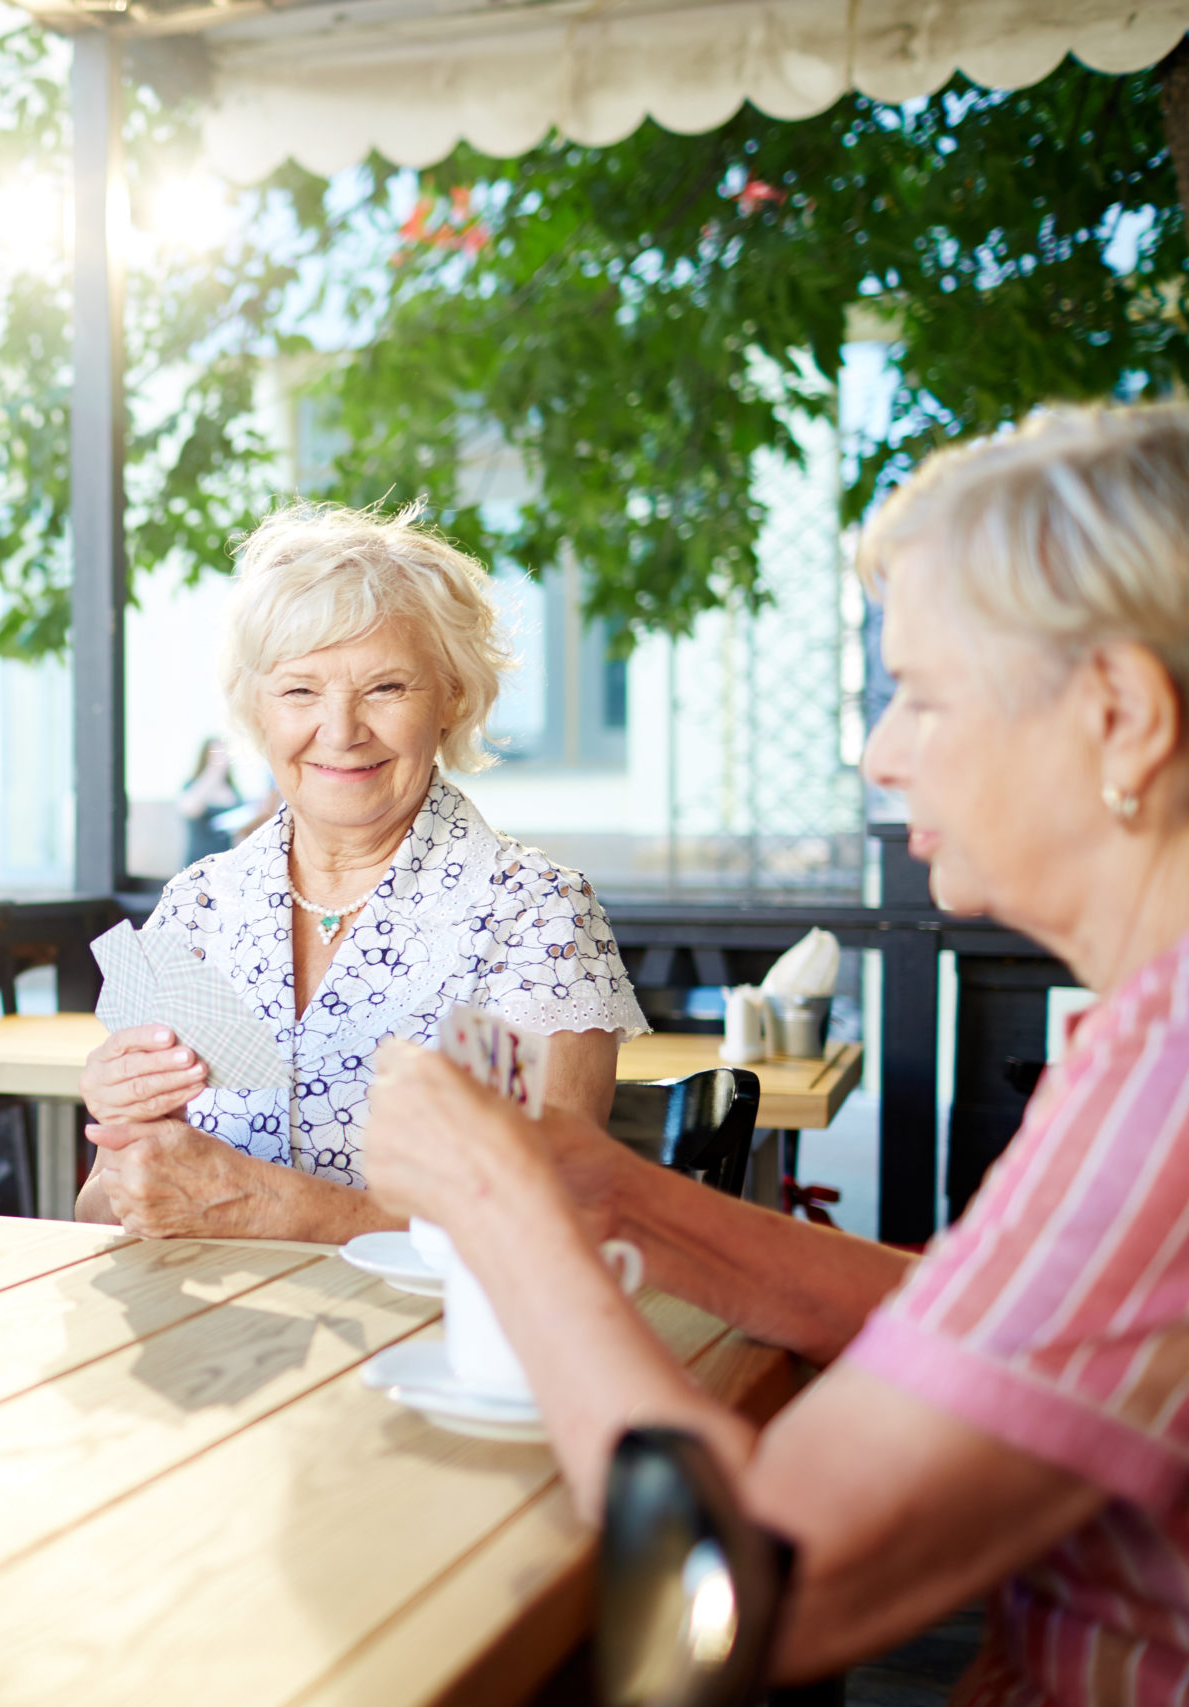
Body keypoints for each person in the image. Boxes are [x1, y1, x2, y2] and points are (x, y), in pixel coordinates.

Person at [359, 402, 1189, 1699]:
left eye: (920, 694)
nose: (882, 753)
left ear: (1122, 715)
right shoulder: (1151, 1035)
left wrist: (493, 1200)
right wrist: (603, 1181)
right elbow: (961, 1316)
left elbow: (725, 1599)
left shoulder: (1168, 1085)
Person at [77, 502, 644, 1241]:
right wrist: (124, 1126)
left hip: (429, 1340)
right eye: (300, 690)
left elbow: (548, 1221)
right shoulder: (199, 905)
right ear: (258, 706)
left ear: (453, 696)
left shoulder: (538, 914)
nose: (341, 732)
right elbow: (95, 1208)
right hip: (212, 1344)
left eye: (386, 687)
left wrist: (267, 1206)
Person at [176, 736, 242, 865]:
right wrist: (214, 771)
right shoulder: (193, 786)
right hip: (200, 861)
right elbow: (188, 808)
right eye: (216, 753)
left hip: (227, 862)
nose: (222, 758)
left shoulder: (233, 790)